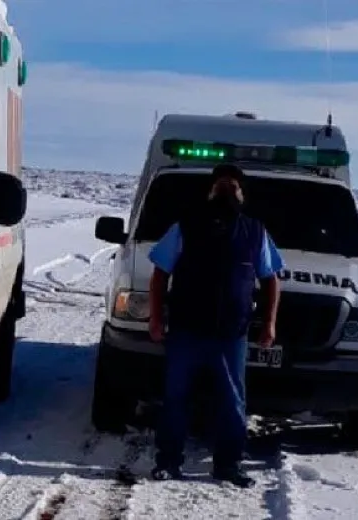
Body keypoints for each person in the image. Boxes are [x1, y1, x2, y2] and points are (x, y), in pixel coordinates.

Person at [146, 163, 284, 488]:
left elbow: (271, 279)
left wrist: (270, 322)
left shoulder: (255, 232)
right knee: (176, 398)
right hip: (186, 330)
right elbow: (159, 274)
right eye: (220, 185)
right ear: (209, 191)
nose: (226, 191)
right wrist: (155, 317)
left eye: (233, 187)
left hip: (231, 334)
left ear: (242, 195)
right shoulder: (185, 226)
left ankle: (228, 466)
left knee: (233, 402)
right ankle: (168, 462)